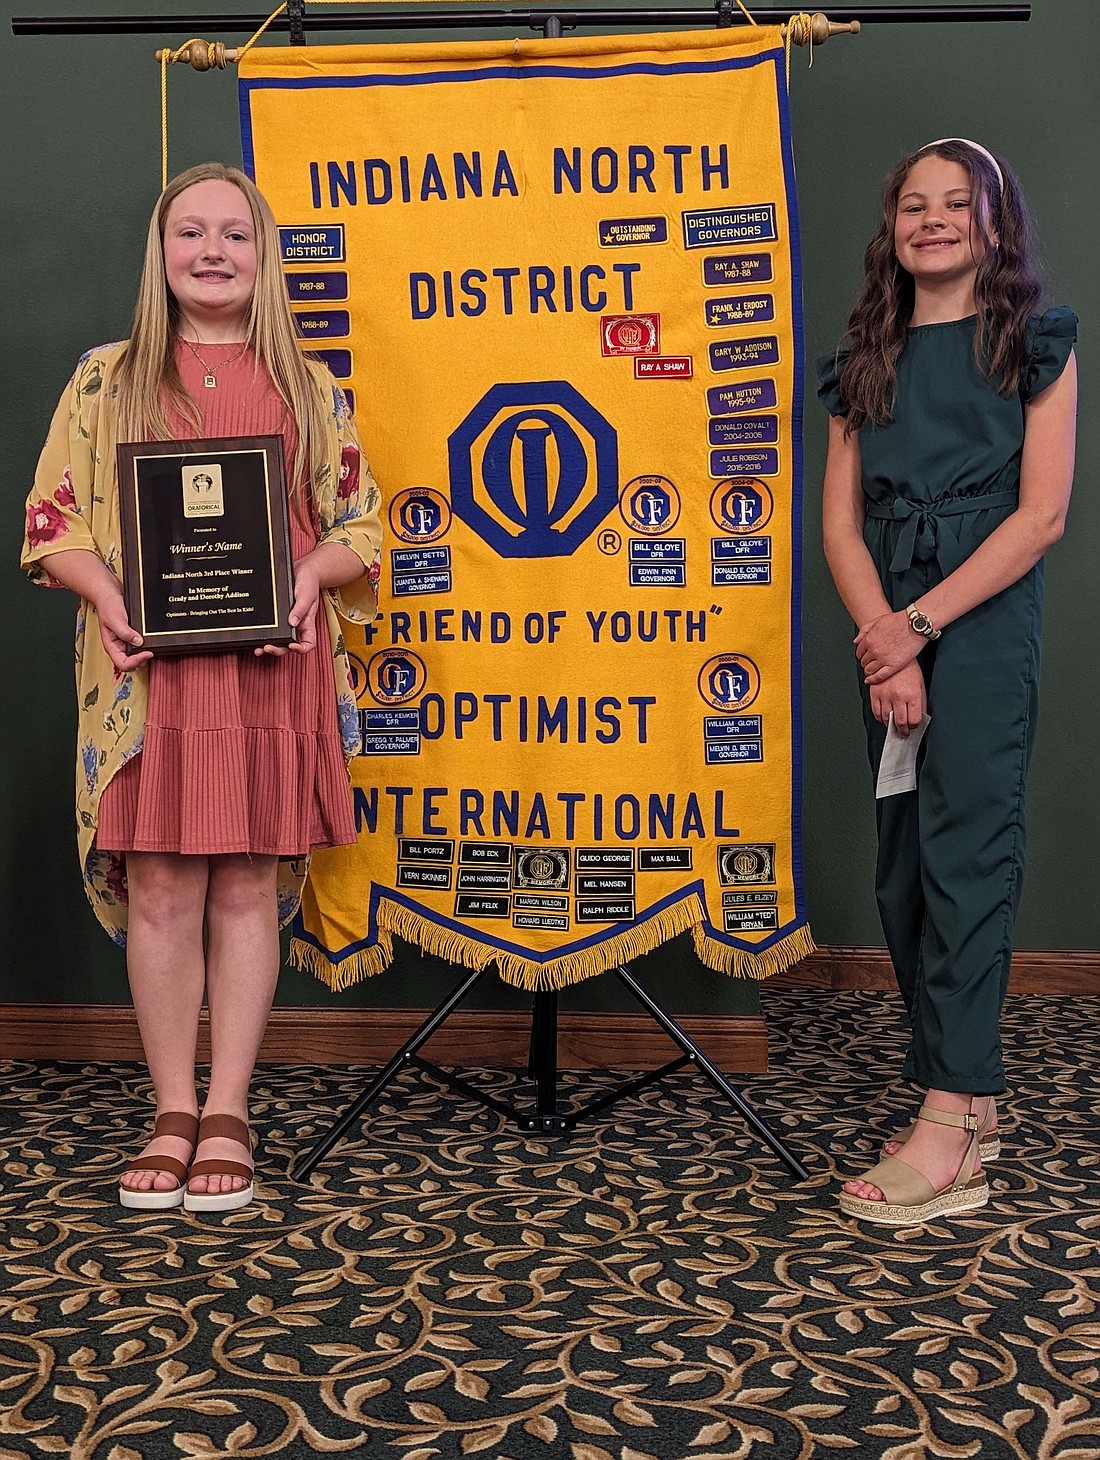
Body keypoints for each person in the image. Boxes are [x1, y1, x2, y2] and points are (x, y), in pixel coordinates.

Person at [21, 163, 383, 1213]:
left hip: (270, 669)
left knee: (244, 886)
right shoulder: (106, 377)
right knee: (165, 888)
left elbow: (360, 525)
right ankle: (171, 1106)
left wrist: (311, 575)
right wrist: (106, 593)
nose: (213, 250)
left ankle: (231, 1105)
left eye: (235, 233)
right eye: (191, 232)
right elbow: (51, 524)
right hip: (150, 677)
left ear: (263, 257)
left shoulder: (311, 385)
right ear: (161, 251)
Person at [817, 139, 1077, 1226]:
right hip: (885, 615)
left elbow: (1040, 515)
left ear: (992, 222)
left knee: (967, 855)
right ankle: (955, 1084)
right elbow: (837, 521)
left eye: (954, 203)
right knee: (903, 866)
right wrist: (883, 639)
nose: (932, 218)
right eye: (913, 204)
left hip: (976, 611)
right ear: (893, 228)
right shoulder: (862, 354)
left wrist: (922, 625)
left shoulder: (1033, 342)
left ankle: (954, 1121)